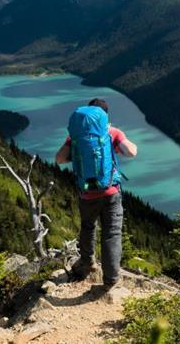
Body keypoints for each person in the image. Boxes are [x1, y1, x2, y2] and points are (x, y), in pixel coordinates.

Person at [55, 98, 137, 289]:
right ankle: (110, 281)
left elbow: (59, 159)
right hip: (110, 192)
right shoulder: (112, 132)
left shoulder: (74, 137)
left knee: (88, 227)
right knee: (112, 234)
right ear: (105, 115)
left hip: (87, 193)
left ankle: (88, 263)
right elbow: (131, 152)